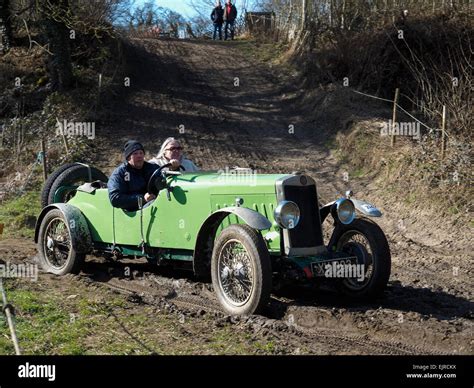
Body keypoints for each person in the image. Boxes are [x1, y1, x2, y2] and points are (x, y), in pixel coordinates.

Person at [108, 140, 160, 211]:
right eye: (135, 153)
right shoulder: (119, 173)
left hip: (155, 205)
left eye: (141, 153)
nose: (139, 156)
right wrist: (142, 199)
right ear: (128, 157)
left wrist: (174, 168)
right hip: (133, 211)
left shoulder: (153, 168)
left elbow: (165, 182)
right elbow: (115, 198)